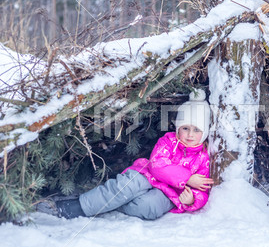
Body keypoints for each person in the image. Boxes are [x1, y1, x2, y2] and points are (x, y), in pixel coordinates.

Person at [53, 89, 214, 220]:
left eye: (196, 130)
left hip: (170, 193)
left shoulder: (203, 158)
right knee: (124, 187)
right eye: (185, 128)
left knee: (149, 207)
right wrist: (186, 179)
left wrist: (192, 200)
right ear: (178, 127)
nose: (190, 134)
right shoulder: (169, 141)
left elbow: (203, 191)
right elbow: (157, 165)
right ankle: (81, 206)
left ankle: (114, 203)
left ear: (205, 132)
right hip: (147, 175)